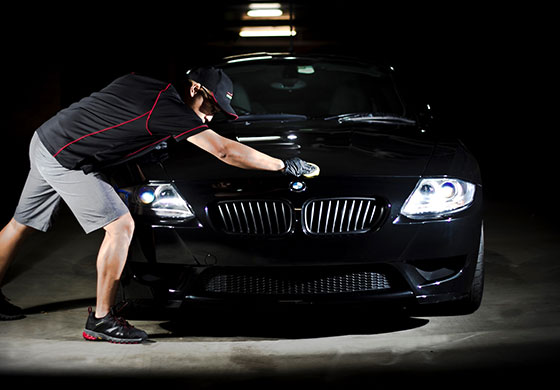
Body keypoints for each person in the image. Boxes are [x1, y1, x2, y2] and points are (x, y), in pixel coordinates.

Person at [0, 67, 319, 343]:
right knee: (120, 225)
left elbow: (116, 122)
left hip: (45, 138)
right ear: (194, 88)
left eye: (218, 111)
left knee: (20, 224)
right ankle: (101, 319)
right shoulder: (169, 108)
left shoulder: (147, 85)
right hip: (66, 157)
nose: (210, 115)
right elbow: (224, 151)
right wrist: (283, 165)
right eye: (210, 104)